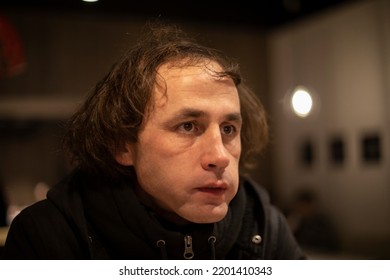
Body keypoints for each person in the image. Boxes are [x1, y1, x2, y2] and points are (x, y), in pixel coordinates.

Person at [2, 22, 305, 260]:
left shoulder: (264, 226)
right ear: (123, 144)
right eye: (188, 126)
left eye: (228, 129)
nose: (220, 156)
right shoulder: (48, 237)